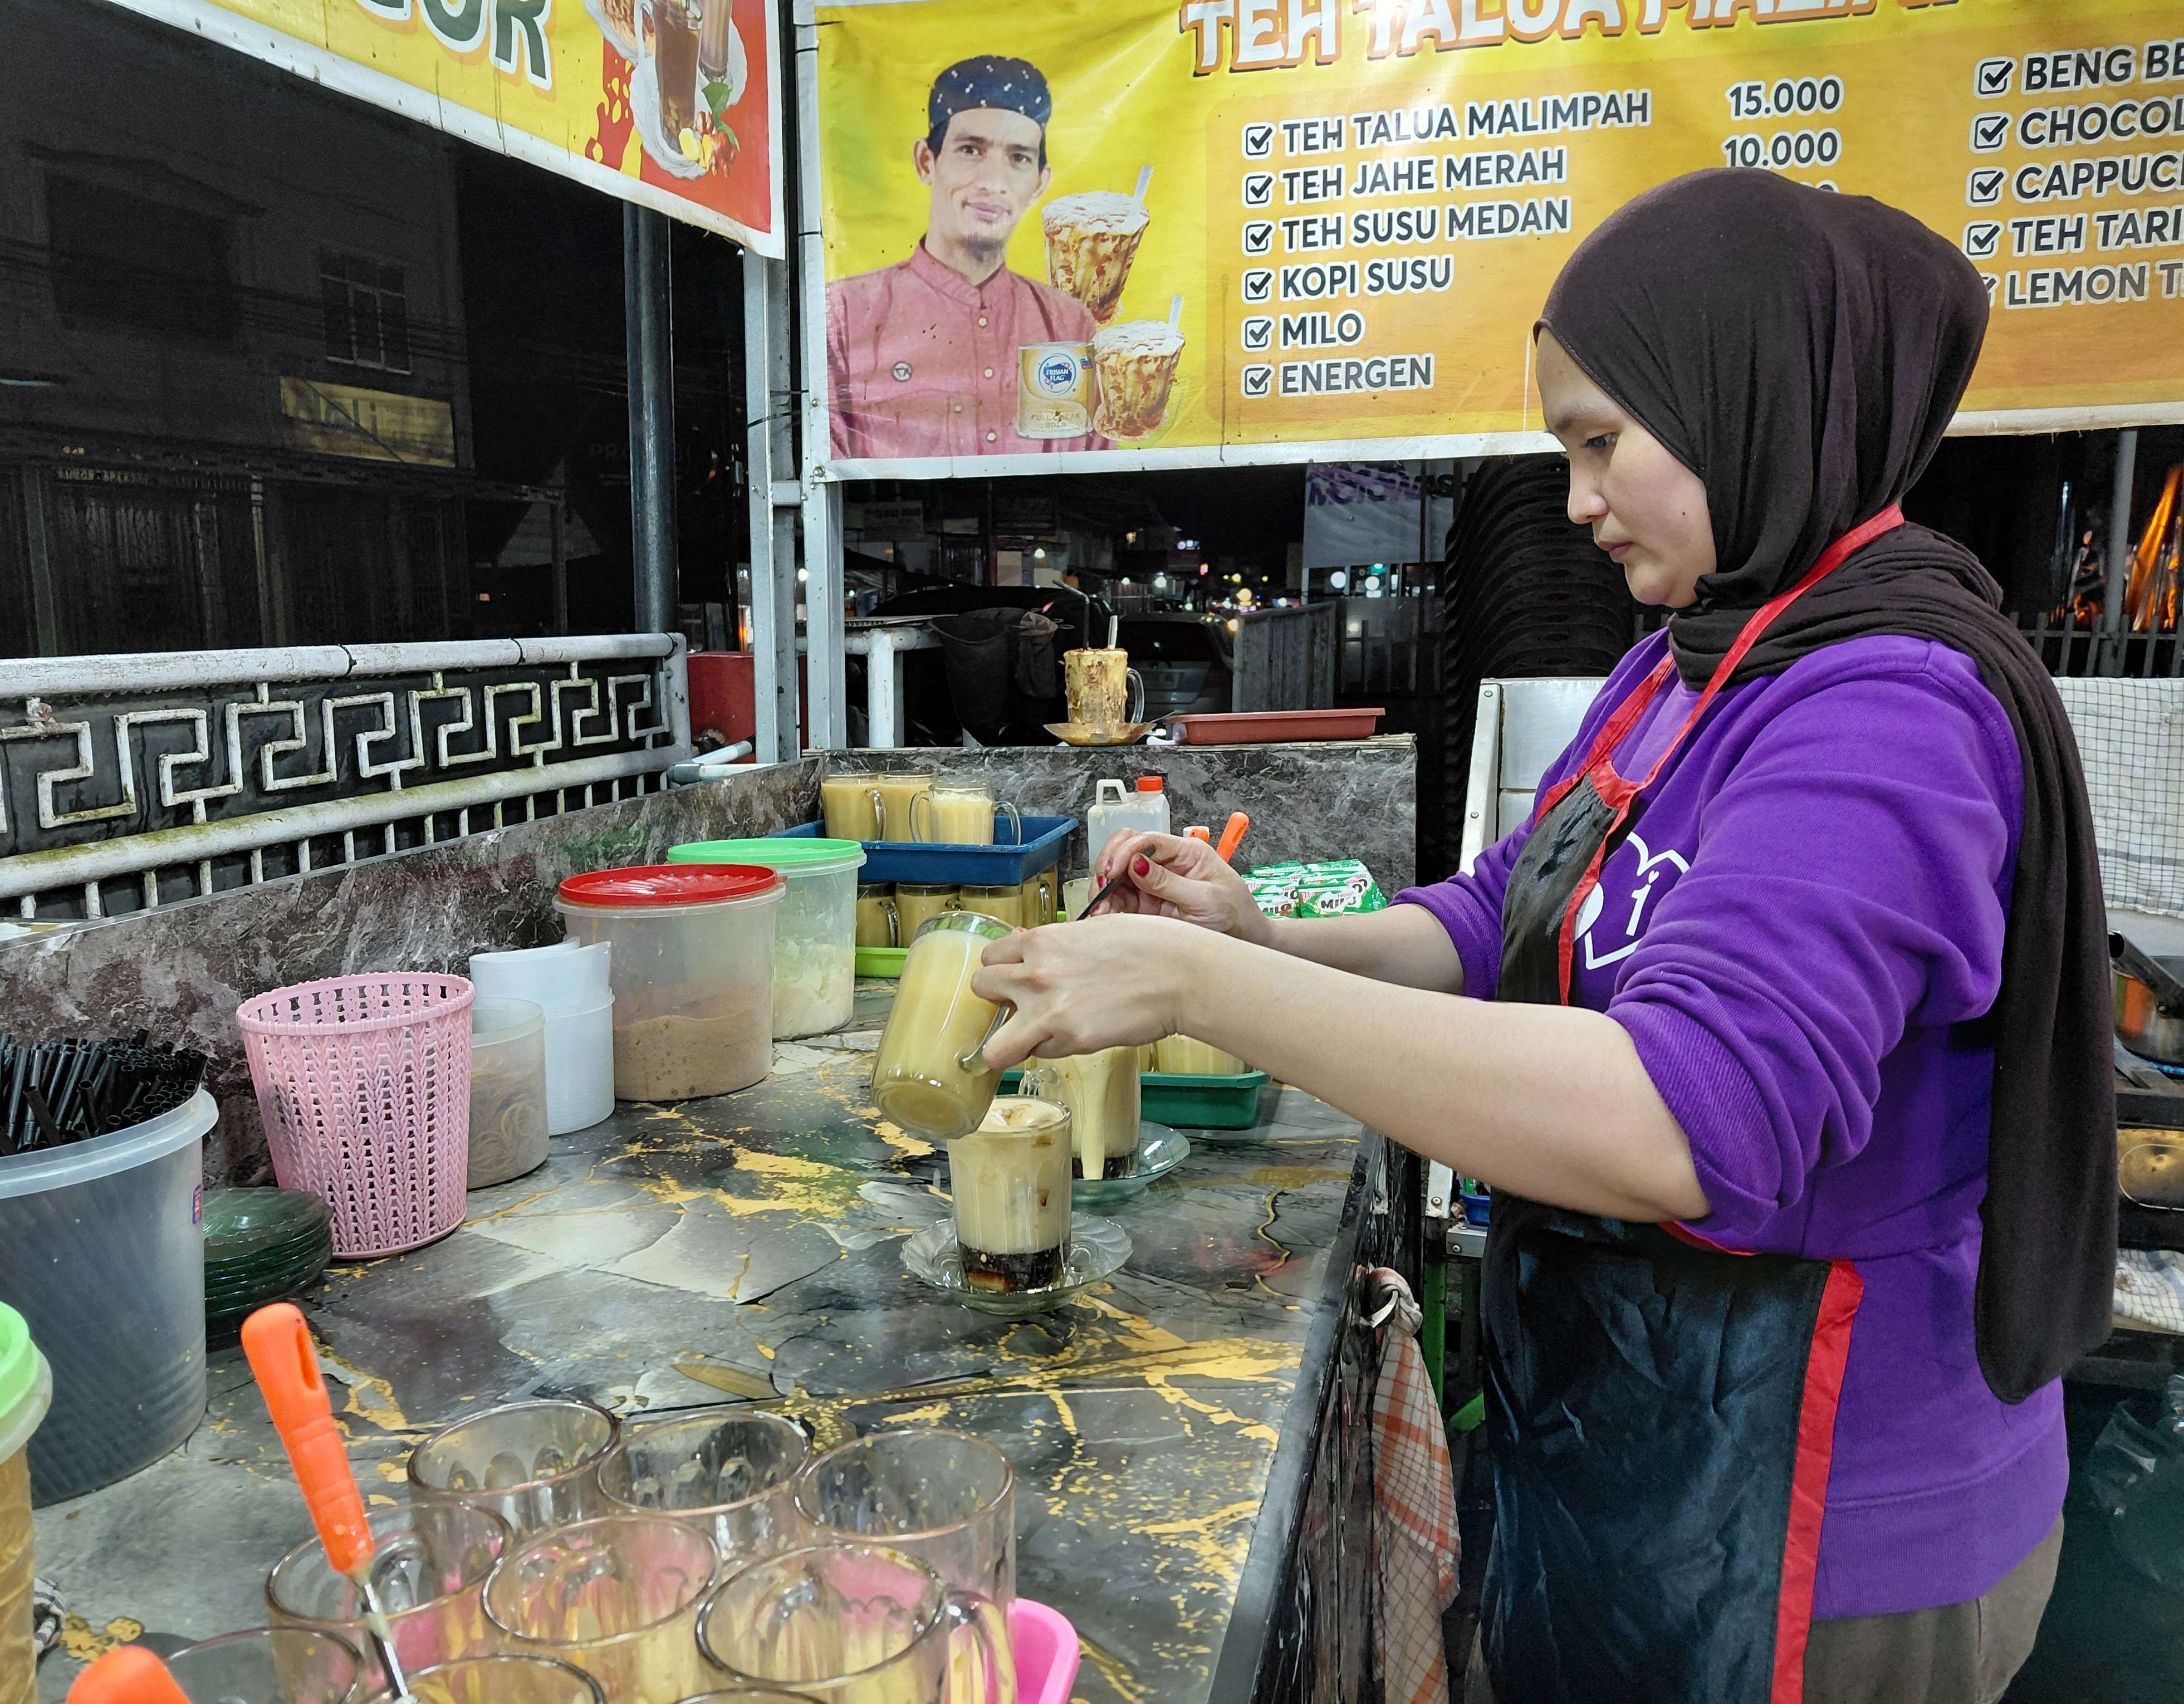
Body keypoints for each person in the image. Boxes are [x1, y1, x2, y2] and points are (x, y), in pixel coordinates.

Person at [972, 170, 2117, 1704]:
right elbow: (1495, 914)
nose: (1574, 500)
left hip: (1820, 1524)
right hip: (1629, 1449)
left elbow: (1686, 1119)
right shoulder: (1681, 666)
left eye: (1599, 442)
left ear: (1744, 404)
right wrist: (1264, 940)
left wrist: (1201, 982)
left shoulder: (1889, 704)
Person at [826, 56, 1108, 460]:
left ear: (1040, 183)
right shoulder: (843, 314)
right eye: (971, 150)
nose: (993, 182)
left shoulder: (1068, 324)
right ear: (926, 162)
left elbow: (1099, 472)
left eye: (1019, 158)